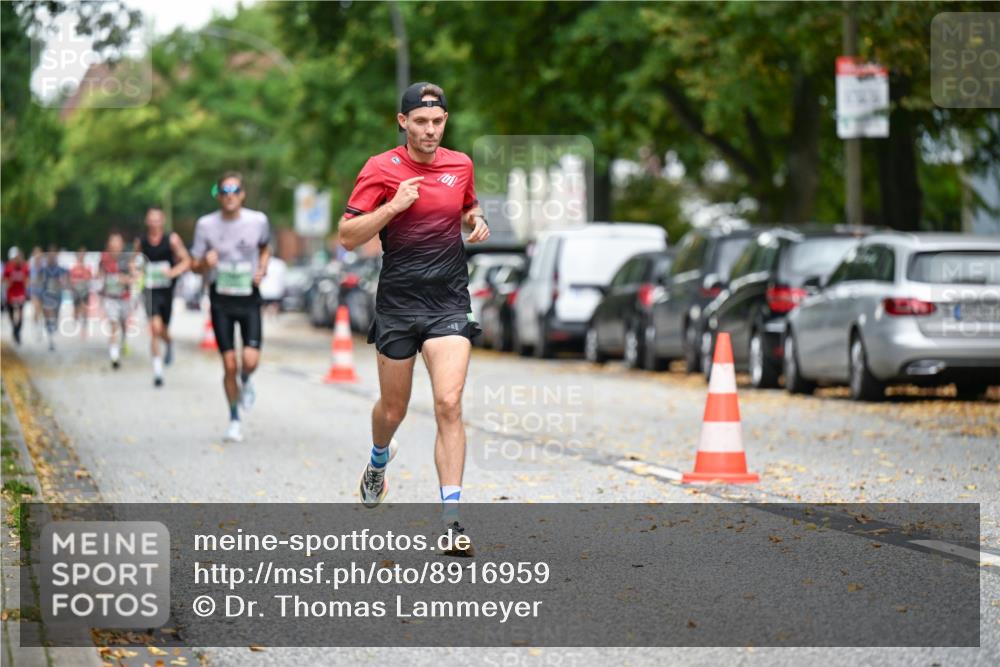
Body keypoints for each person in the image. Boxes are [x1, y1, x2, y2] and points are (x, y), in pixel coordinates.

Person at [338, 82, 489, 554]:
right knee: (394, 410)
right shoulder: (380, 169)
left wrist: (474, 219)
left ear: (446, 120)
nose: (430, 130)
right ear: (402, 121)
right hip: (398, 304)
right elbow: (346, 235)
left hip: (448, 299)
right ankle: (378, 461)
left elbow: (467, 203)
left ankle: (452, 520)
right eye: (420, 122)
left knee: (448, 403)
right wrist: (393, 206)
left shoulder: (460, 164)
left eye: (438, 121)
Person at [191, 172, 271, 443]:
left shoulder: (257, 220)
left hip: (248, 297)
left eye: (234, 190)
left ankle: (247, 381)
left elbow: (265, 249)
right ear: (218, 195)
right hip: (221, 299)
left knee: (249, 361)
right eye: (223, 191)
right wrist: (205, 263)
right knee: (229, 364)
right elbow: (194, 264)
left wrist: (262, 268)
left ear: (242, 194)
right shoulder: (205, 225)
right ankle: (234, 419)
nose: (229, 195)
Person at [136, 207, 192, 387]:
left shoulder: (172, 239)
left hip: (166, 291)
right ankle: (158, 371)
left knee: (163, 330)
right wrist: (136, 273)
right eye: (150, 219)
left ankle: (169, 342)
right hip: (150, 290)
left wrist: (172, 272)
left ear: (163, 221)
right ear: (147, 221)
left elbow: (187, 261)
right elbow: (133, 262)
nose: (154, 223)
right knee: (154, 328)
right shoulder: (142, 241)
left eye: (157, 219)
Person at [98, 232, 135, 369]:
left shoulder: (127, 259)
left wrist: (125, 279)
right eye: (112, 243)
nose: (115, 245)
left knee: (123, 323)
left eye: (117, 242)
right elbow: (99, 275)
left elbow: (134, 277)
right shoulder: (104, 258)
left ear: (122, 245)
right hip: (110, 298)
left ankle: (124, 340)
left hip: (124, 297)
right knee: (113, 324)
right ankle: (114, 357)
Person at [38, 245, 67, 351]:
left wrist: (62, 283)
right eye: (50, 255)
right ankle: (51, 339)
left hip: (57, 296)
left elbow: (65, 280)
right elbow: (39, 280)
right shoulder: (44, 269)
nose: (52, 257)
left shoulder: (61, 269)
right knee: (49, 316)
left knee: (55, 317)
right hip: (47, 296)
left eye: (54, 255)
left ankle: (52, 330)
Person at [2, 247, 29, 345]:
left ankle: (17, 330)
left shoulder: (24, 267)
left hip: (20, 293)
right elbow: (4, 280)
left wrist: (26, 284)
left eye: (20, 258)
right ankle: (14, 328)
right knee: (11, 313)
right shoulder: (9, 267)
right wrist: (9, 282)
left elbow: (27, 280)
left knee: (21, 312)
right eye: (16, 258)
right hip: (11, 294)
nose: (18, 260)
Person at [68, 248, 93, 338]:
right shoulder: (74, 267)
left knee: (85, 309)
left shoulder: (87, 267)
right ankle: (76, 319)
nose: (82, 256)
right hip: (76, 291)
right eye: (80, 254)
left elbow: (90, 278)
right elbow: (70, 279)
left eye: (83, 254)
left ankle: (83, 328)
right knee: (76, 310)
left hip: (85, 290)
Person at [258, 252, 286, 319]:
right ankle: (273, 319)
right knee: (274, 306)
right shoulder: (280, 263)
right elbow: (283, 278)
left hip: (263, 290)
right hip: (275, 291)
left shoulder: (260, 262)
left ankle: (265, 319)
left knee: (263, 307)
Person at [28, 246, 44, 340]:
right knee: (36, 308)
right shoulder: (31, 265)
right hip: (34, 290)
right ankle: (36, 327)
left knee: (40, 310)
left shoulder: (43, 265)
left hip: (42, 290)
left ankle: (38, 325)